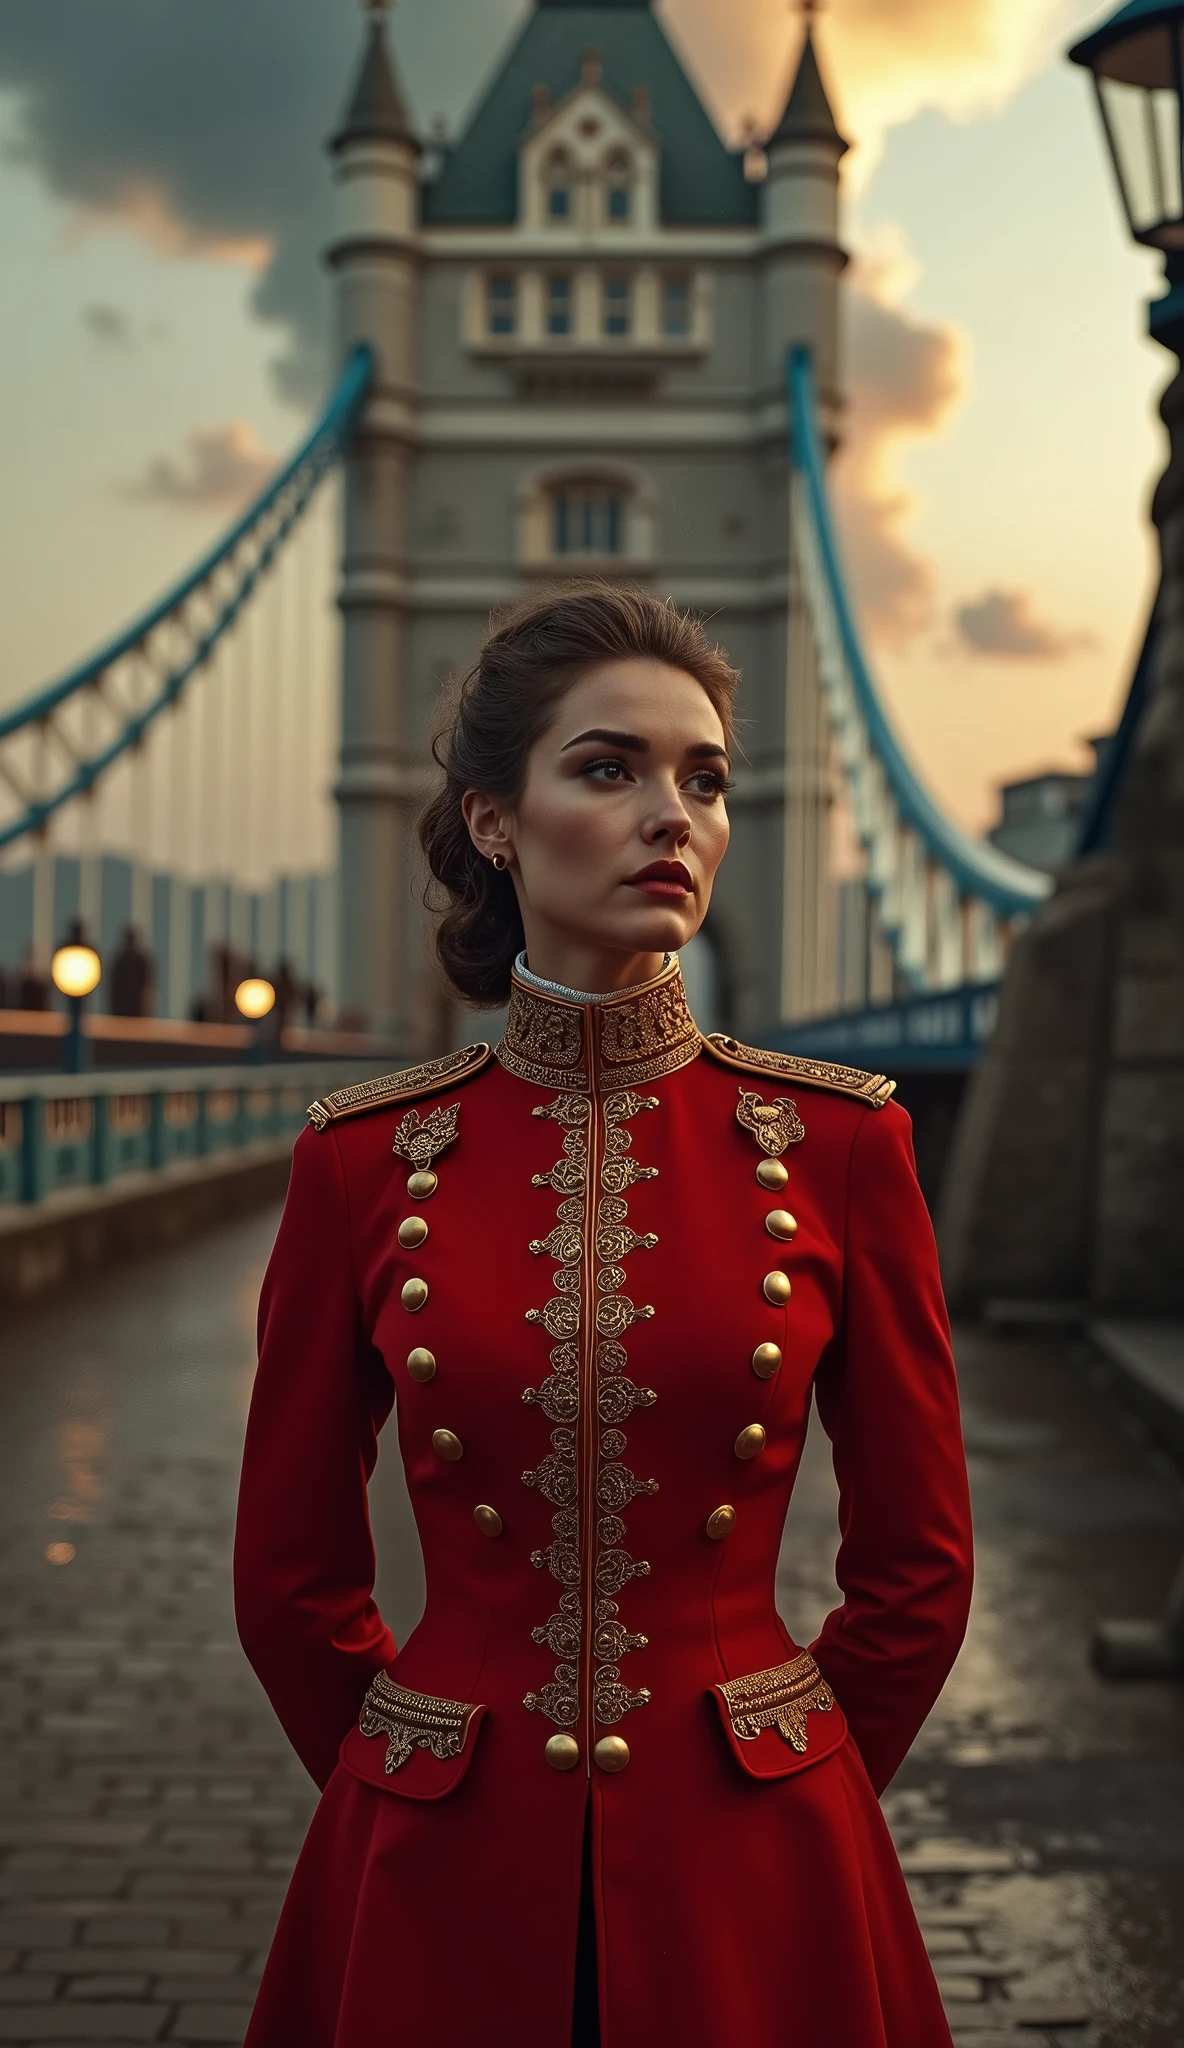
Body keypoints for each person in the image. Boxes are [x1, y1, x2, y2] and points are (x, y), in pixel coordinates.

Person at [234, 586, 974, 2048]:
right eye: (608, 768)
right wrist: (410, 1783)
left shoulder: (837, 1147)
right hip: (442, 1854)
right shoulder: (363, 1160)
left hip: (756, 1863)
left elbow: (918, 1569)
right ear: (494, 822)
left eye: (704, 780)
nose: (673, 815)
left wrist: (796, 1778)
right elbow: (288, 1572)